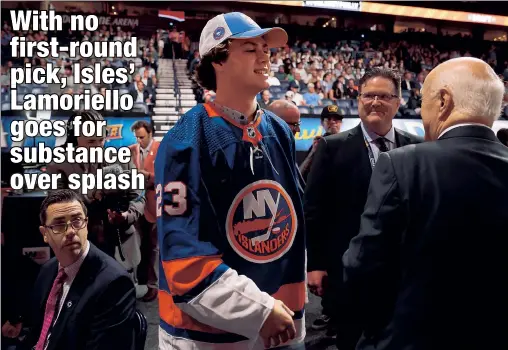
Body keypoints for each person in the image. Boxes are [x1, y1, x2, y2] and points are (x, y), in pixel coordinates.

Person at [155, 12, 306, 350]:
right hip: (207, 336)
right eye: (250, 48)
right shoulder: (186, 139)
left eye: (266, 48)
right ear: (217, 61)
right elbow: (183, 259)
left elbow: (292, 225)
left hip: (283, 324)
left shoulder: (279, 130)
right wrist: (258, 310)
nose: (265, 55)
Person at [343, 57, 508, 350]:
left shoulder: (402, 163)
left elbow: (363, 266)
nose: (420, 111)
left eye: (423, 100)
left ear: (443, 100)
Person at [304, 67, 422, 346]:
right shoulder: (331, 148)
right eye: (368, 95)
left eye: (384, 96)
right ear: (358, 100)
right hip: (345, 270)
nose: (375, 102)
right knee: (349, 339)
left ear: (398, 101)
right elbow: (314, 210)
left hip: (400, 273)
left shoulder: (415, 148)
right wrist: (316, 264)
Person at [22, 189, 136, 350]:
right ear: (45, 234)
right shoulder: (48, 270)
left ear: (86, 225)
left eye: (77, 221)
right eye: (59, 224)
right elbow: (36, 332)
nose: (70, 231)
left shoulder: (115, 284)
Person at [129, 120, 160, 302]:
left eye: (142, 137)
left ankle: (152, 285)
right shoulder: (131, 150)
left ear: (150, 134)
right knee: (135, 246)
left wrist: (148, 177)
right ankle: (135, 283)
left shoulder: (161, 148)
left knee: (153, 248)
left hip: (154, 204)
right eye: (137, 137)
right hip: (135, 205)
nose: (139, 140)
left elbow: (169, 176)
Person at [299, 104, 343, 182]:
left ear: (341, 122)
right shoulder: (317, 145)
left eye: (336, 119)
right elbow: (300, 175)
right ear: (322, 123)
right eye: (328, 119)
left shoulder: (348, 144)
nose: (333, 122)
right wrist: (312, 152)